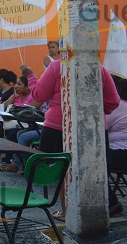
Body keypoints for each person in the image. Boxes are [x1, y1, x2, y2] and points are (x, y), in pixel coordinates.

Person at [30, 59, 119, 221]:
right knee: (92, 169)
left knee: (63, 171)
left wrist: (31, 79)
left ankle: (67, 212)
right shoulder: (99, 68)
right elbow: (113, 101)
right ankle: (97, 209)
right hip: (94, 126)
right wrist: (95, 111)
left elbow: (39, 95)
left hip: (58, 126)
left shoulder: (57, 66)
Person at [106, 74, 127, 216]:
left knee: (92, 162)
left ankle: (112, 203)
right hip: (121, 151)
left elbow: (99, 126)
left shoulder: (119, 105)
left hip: (121, 153)